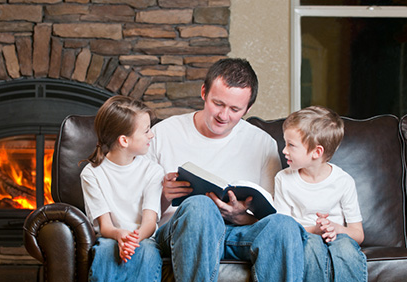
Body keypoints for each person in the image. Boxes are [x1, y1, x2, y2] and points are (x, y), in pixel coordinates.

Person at [146, 58, 308, 281]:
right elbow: (136, 210)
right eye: (218, 104)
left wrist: (241, 216)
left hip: (236, 233)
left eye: (235, 109)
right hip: (179, 232)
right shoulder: (163, 133)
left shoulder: (263, 144)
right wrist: (164, 196)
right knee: (201, 207)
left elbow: (269, 214)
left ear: (248, 108)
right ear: (204, 92)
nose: (224, 116)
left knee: (285, 225)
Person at [274, 105, 367, 281]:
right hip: (304, 237)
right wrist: (315, 230)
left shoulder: (343, 182)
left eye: (291, 145)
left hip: (339, 238)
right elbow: (283, 231)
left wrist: (337, 229)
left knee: (345, 248)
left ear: (317, 152)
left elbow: (358, 234)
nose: (284, 150)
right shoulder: (283, 179)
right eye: (285, 143)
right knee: (311, 247)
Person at [80, 96, 164, 282]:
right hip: (110, 237)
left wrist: (133, 240)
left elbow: (149, 223)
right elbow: (106, 227)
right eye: (146, 131)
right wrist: (120, 235)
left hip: (143, 237)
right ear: (124, 141)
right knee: (105, 251)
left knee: (148, 252)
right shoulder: (91, 174)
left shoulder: (153, 171)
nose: (152, 135)